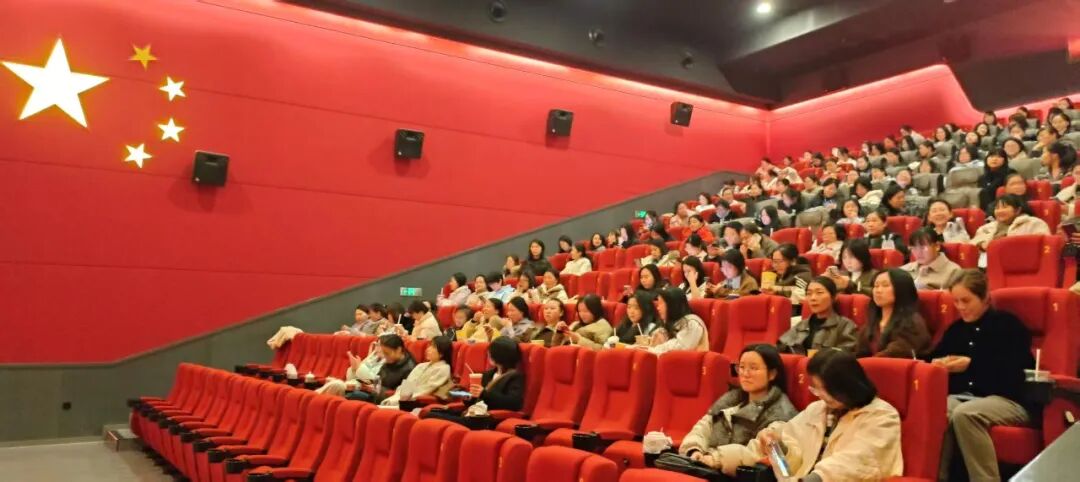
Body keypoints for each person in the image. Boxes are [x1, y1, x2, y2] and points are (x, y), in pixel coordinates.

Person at [933, 270, 1035, 482]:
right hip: (964, 396)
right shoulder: (956, 330)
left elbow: (1015, 373)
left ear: (985, 297)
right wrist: (938, 364)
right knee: (937, 409)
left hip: (1008, 399)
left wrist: (972, 364)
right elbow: (935, 357)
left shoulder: (1007, 325)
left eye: (966, 300)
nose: (960, 307)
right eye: (956, 301)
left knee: (966, 414)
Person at [750, 350, 903, 481]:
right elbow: (790, 445)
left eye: (825, 389)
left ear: (847, 386)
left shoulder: (882, 415)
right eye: (815, 388)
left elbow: (858, 462)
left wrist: (816, 478)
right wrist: (778, 446)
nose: (820, 395)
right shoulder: (818, 409)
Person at [677, 344, 798, 476]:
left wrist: (716, 459)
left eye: (753, 368)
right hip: (706, 467)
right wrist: (694, 450)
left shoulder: (781, 412)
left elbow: (757, 452)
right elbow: (703, 428)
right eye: (741, 367)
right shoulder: (730, 400)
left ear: (772, 374)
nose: (745, 374)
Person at [424, 338, 525, 430]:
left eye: (491, 353)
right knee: (433, 413)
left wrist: (484, 393)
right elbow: (476, 401)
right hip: (474, 412)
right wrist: (468, 397)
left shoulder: (514, 376)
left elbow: (513, 403)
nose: (488, 355)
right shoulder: (488, 374)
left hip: (486, 418)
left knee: (431, 416)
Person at [856, 269, 932, 358]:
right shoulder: (872, 322)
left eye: (885, 285)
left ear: (901, 289)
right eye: (876, 286)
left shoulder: (912, 322)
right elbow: (860, 353)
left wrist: (866, 363)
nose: (878, 290)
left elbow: (896, 353)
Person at [778, 277, 858, 355]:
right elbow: (780, 347)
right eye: (809, 294)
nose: (813, 298)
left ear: (834, 297)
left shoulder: (845, 326)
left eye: (819, 293)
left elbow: (846, 356)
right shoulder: (802, 325)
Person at [380, 335, 453, 406]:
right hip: (403, 398)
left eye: (433, 347)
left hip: (416, 403)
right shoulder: (421, 366)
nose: (428, 349)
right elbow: (408, 385)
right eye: (429, 346)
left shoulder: (444, 368)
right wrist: (396, 398)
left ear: (441, 353)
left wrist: (400, 400)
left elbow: (426, 390)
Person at [346, 334, 416, 404]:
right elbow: (378, 379)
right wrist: (365, 383)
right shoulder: (390, 361)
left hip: (386, 402)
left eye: (387, 353)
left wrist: (375, 389)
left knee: (353, 396)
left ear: (398, 350)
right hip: (376, 395)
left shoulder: (411, 369)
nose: (384, 356)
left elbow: (402, 397)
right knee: (347, 391)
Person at [972, 194, 1051, 252]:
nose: (1000, 211)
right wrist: (981, 245)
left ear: (1018, 210)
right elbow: (972, 245)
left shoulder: (1034, 223)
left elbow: (1044, 245)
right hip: (987, 263)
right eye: (997, 208)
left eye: (1005, 207)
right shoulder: (988, 227)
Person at [648, 287, 709, 354]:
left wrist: (651, 350)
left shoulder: (692, 323)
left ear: (672, 305)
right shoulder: (672, 323)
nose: (658, 308)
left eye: (661, 303)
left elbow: (679, 349)